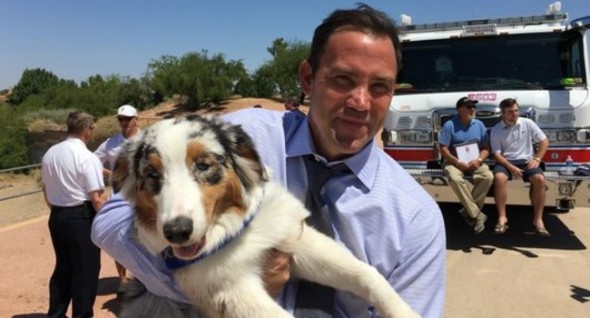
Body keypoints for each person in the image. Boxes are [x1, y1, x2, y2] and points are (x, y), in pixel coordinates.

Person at [91, 4, 446, 318]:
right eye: (343, 79)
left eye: (380, 88)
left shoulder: (416, 218)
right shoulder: (241, 137)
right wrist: (199, 275)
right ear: (307, 78)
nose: (360, 102)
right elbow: (109, 221)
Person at [42, 111, 106, 318]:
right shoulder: (88, 158)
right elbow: (96, 198)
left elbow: (45, 189)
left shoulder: (50, 153)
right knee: (85, 271)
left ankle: (56, 314)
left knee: (63, 268)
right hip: (81, 217)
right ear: (87, 130)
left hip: (57, 217)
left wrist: (58, 210)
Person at [489, 98, 550, 236]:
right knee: (499, 178)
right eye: (510, 112)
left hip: (527, 160)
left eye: (516, 111)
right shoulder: (496, 130)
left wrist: (537, 158)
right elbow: (497, 155)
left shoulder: (527, 123)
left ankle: (538, 219)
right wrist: (510, 167)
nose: (515, 114)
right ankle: (502, 217)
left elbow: (544, 141)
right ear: (503, 113)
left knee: (539, 179)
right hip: (506, 161)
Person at [94, 104, 140, 284]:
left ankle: (145, 280)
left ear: (137, 119)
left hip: (143, 199)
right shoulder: (110, 143)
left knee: (145, 240)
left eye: (128, 119)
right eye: (121, 119)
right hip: (119, 200)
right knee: (119, 241)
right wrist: (109, 173)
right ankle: (122, 280)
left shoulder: (148, 140)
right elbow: (91, 161)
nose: (124, 123)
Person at [438, 97, 494, 234]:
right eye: (468, 107)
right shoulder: (449, 125)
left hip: (475, 162)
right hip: (454, 162)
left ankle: (469, 211)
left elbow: (486, 147)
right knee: (455, 177)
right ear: (459, 110)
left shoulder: (479, 125)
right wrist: (456, 162)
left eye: (473, 107)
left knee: (488, 176)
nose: (472, 109)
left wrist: (479, 160)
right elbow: (443, 148)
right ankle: (477, 215)